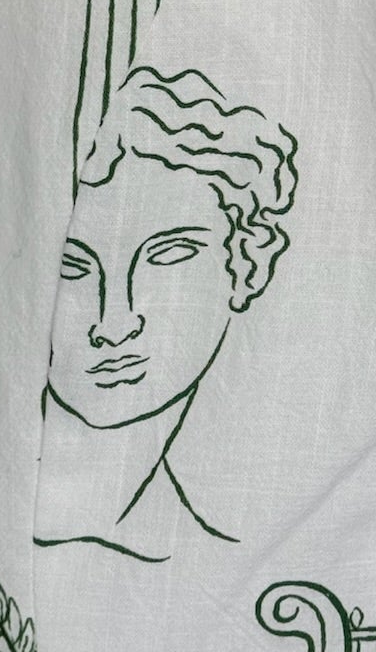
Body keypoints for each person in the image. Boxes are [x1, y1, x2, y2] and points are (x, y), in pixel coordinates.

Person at [35, 62, 298, 562]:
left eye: (169, 254)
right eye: (73, 266)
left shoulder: (216, 562)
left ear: (246, 267)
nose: (114, 324)